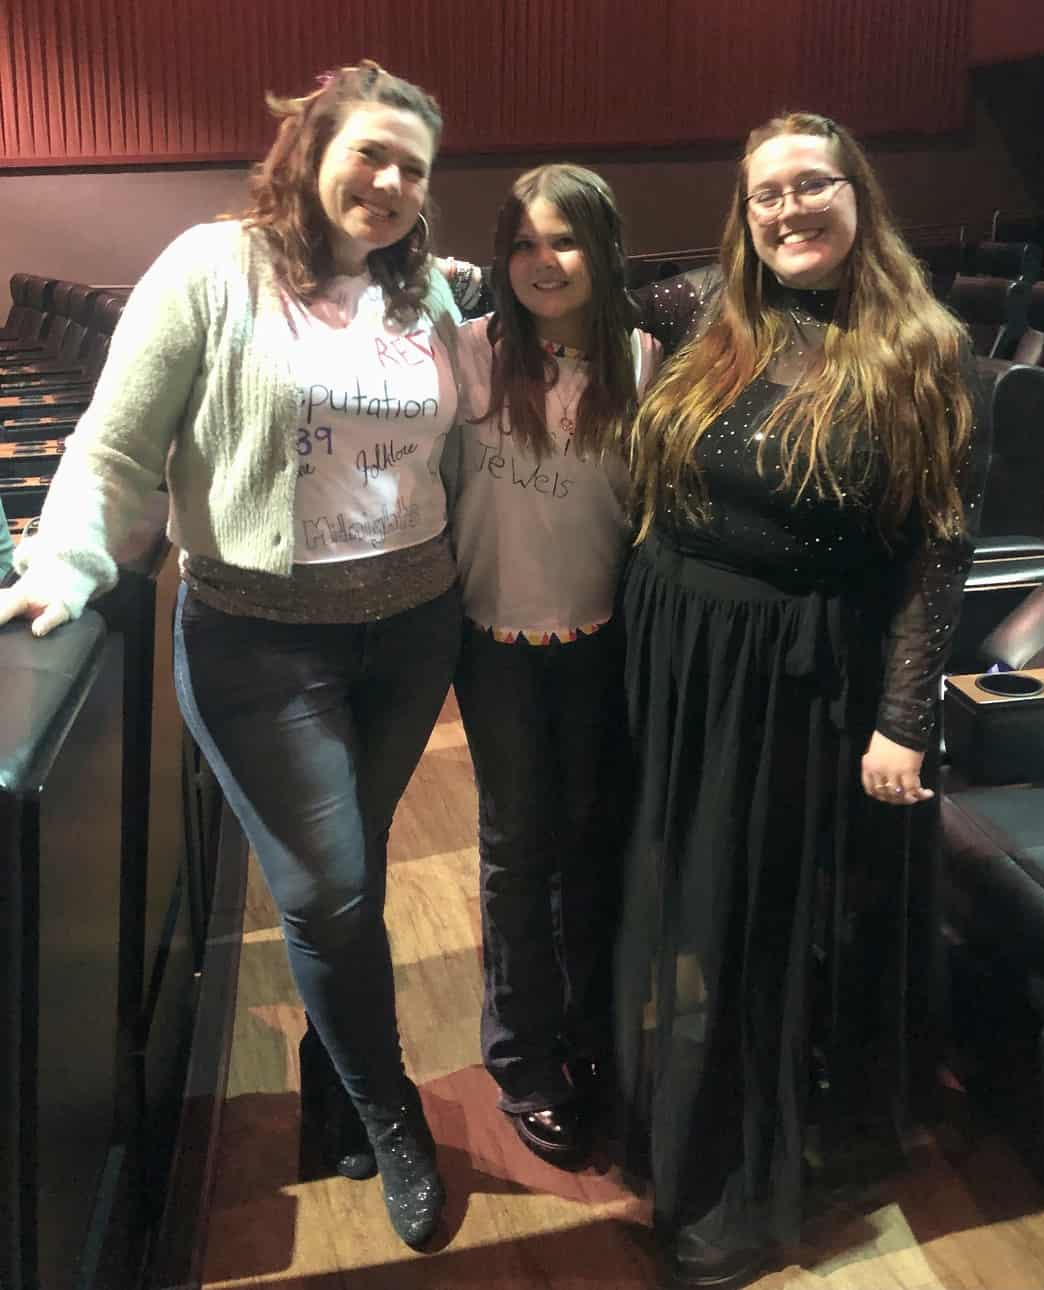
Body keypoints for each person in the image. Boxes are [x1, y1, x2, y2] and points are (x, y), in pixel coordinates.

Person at [0, 60, 463, 1250]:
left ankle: (332, 1078)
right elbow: (114, 447)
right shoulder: (211, 269)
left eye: (413, 166)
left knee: (341, 894)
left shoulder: (424, 295)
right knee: (327, 888)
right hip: (258, 639)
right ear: (311, 148)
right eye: (371, 151)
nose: (391, 181)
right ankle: (391, 1105)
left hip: (413, 631)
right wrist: (68, 563)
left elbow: (475, 429)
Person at [616, 112, 990, 1288]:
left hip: (792, 673)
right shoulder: (697, 312)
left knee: (750, 919)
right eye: (765, 194)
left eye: (809, 183)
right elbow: (546, 292)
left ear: (856, 194)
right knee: (676, 894)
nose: (787, 210)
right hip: (670, 644)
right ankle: (670, 1115)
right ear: (744, 214)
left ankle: (733, 1168)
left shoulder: (923, 347)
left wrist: (905, 716)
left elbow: (938, 548)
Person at [447, 164, 660, 1166]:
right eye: (524, 243)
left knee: (593, 844)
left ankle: (592, 1037)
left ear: (603, 251)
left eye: (563, 241)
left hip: (604, 643)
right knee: (516, 853)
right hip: (493, 649)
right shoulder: (463, 356)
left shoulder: (645, 361)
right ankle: (523, 1056)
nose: (542, 261)